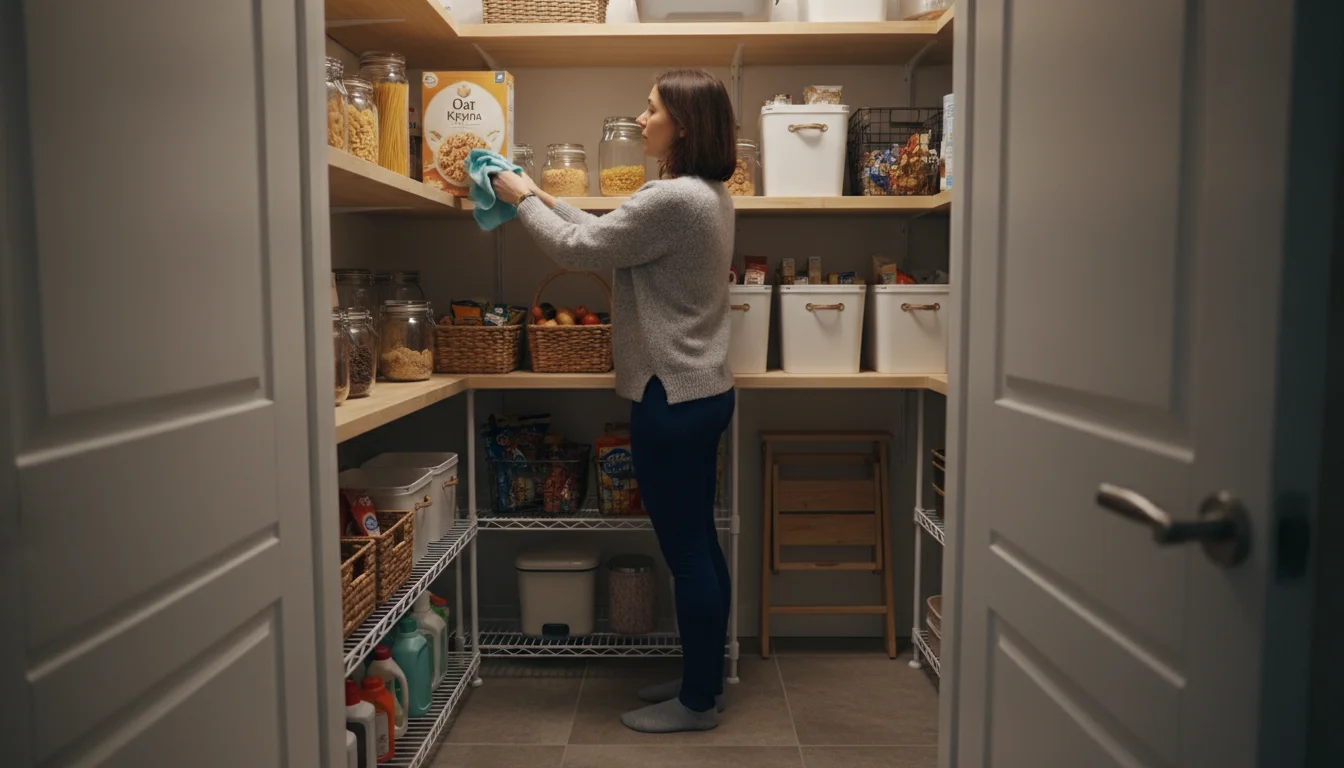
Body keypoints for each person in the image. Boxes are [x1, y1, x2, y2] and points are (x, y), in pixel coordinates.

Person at [492, 69, 736, 734]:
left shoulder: (674, 199)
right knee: (702, 547)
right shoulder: (706, 195)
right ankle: (704, 684)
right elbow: (609, 232)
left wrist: (520, 201)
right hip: (703, 390)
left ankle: (694, 705)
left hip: (671, 397)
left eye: (651, 109)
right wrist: (540, 192)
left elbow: (581, 247)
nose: (640, 118)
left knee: (686, 552)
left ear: (682, 125)